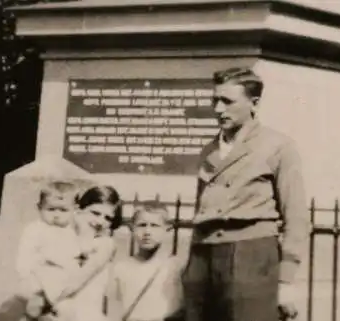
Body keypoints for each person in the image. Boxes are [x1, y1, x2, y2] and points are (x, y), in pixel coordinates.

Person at [182, 66, 310, 321]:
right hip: (203, 254)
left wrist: (286, 279)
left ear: (254, 103)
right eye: (214, 100)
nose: (218, 109)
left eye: (228, 101)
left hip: (251, 254)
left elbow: (296, 217)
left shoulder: (278, 146)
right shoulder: (209, 150)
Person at [0, 182, 123, 321]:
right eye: (95, 213)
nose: (100, 221)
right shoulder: (59, 234)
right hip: (49, 311)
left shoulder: (104, 244)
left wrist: (40, 300)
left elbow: (75, 281)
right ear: (79, 209)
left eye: (108, 218)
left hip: (79, 312)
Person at [107, 200, 185, 321]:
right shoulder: (120, 268)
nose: (147, 232)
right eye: (142, 225)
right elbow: (113, 311)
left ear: (167, 229)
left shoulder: (177, 267)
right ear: (132, 228)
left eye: (155, 225)